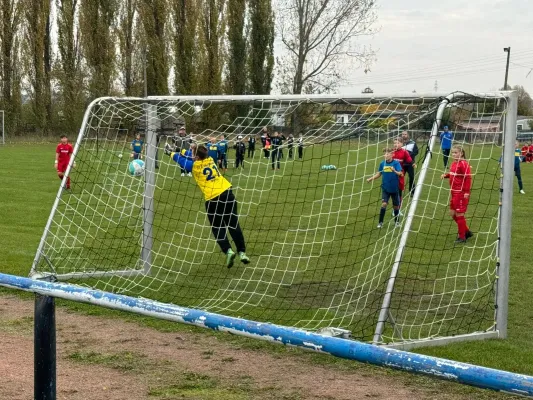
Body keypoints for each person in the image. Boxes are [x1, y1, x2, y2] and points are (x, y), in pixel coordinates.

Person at [164, 143, 250, 268]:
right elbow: (190, 154)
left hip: (212, 199)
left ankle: (228, 250)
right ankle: (242, 252)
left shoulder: (194, 166)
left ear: (197, 157)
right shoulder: (210, 159)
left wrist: (170, 153)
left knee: (217, 228)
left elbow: (181, 159)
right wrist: (179, 148)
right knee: (233, 224)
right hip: (227, 193)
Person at [440, 145, 473, 243]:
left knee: (459, 214)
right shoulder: (454, 163)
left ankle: (462, 237)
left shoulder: (463, 164)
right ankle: (466, 231)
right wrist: (446, 175)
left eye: (456, 153)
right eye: (453, 153)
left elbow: (468, 178)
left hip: (461, 193)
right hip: (453, 192)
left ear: (461, 153)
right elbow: (453, 174)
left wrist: (466, 192)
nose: (454, 154)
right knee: (452, 213)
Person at [366, 148, 403, 229]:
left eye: (387, 154)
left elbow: (401, 174)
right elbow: (379, 174)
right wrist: (371, 178)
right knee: (384, 204)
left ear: (392, 154)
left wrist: (394, 171)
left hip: (394, 189)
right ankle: (380, 222)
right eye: (385, 154)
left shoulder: (396, 163)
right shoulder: (382, 163)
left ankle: (397, 222)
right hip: (385, 188)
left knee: (396, 206)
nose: (386, 155)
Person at [392, 137, 412, 211]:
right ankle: (393, 209)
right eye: (394, 143)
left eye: (398, 143)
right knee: (392, 193)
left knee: (399, 193)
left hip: (400, 175)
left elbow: (409, 160)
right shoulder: (391, 152)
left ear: (402, 144)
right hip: (391, 175)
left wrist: (412, 164)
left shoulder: (404, 152)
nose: (396, 144)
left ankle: (398, 209)